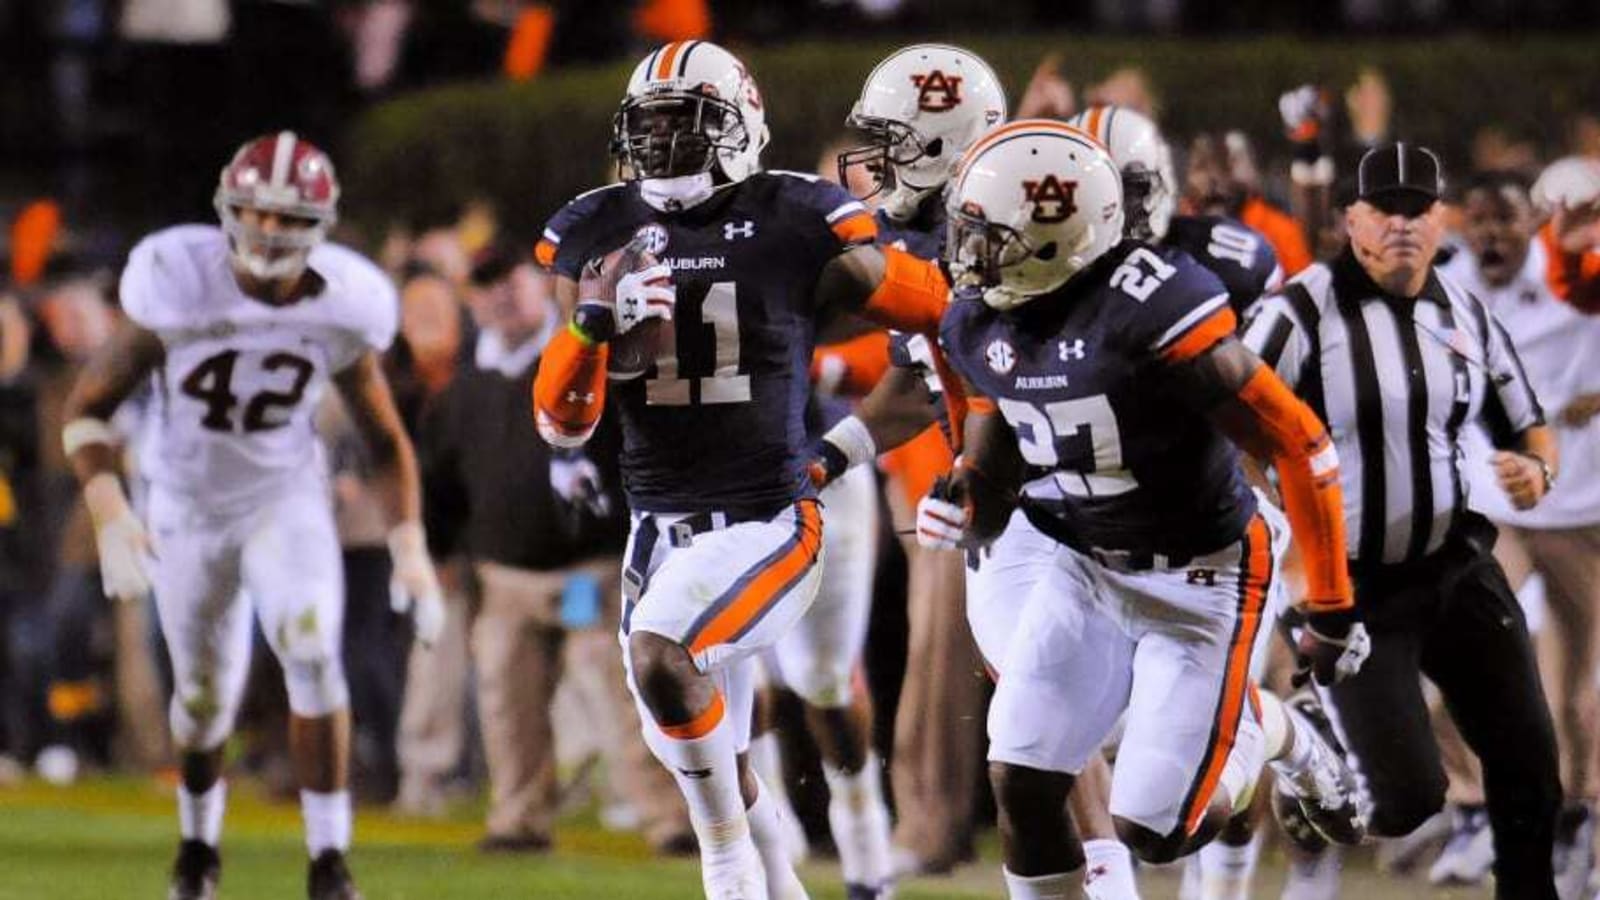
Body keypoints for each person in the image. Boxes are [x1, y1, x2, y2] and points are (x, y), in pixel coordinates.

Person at [531, 40, 950, 900]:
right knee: (692, 736)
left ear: (739, 125)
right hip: (658, 527)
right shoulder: (595, 228)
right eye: (647, 130)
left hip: (769, 510)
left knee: (680, 661)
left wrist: (911, 429)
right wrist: (590, 332)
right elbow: (560, 423)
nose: (662, 149)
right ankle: (780, 880)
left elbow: (937, 312)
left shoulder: (797, 215)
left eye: (685, 128)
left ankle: (742, 866)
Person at [918, 119, 1362, 900]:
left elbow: (1297, 441)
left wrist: (1328, 602)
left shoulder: (1153, 307)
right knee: (1020, 775)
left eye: (987, 235)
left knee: (1159, 829)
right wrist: (959, 503)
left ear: (1054, 237)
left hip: (1204, 578)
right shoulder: (977, 318)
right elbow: (991, 480)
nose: (966, 252)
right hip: (1082, 564)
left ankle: (1285, 733)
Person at [62, 132, 446, 900]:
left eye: (288, 216)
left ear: (321, 222)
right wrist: (109, 509)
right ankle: (199, 848)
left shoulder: (346, 302)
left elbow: (384, 439)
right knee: (203, 698)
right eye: (257, 213)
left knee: (310, 646)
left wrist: (410, 549)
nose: (270, 231)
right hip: (183, 504)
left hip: (284, 498)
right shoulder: (177, 279)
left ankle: (330, 861)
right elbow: (87, 412)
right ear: (228, 210)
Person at [1241, 142, 1563, 900]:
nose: (1402, 224)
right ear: (1353, 219)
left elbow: (1528, 423)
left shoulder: (1464, 311)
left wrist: (1536, 469)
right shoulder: (1299, 310)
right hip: (1350, 586)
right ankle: (1314, 744)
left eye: (1418, 208)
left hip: (1455, 564)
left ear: (1440, 218)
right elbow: (1229, 421)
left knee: (1529, 769)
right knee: (1406, 801)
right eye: (1384, 208)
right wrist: (1285, 536)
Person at [421, 242, 691, 855]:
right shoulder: (462, 392)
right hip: (507, 576)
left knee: (624, 693)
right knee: (507, 704)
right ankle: (519, 818)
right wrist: (440, 555)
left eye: (509, 278)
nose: (501, 294)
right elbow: (439, 481)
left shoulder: (588, 355)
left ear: (538, 282)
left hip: (588, 570)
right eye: (485, 284)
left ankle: (669, 818)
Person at [832, 42, 1007, 889]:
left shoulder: (1003, 227)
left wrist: (979, 474)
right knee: (1010, 692)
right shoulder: (913, 236)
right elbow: (915, 376)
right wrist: (831, 454)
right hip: (973, 486)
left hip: (1059, 489)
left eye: (896, 140)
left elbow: (1018, 386)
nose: (877, 160)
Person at [1432, 170, 1600, 896]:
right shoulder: (1445, 280)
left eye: (1506, 219)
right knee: (1461, 653)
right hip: (1493, 502)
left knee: (1581, 696)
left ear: (1531, 220)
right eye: (1480, 219)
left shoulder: (1573, 277)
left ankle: (1576, 820)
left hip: (1582, 506)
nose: (1492, 234)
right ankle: (1473, 811)